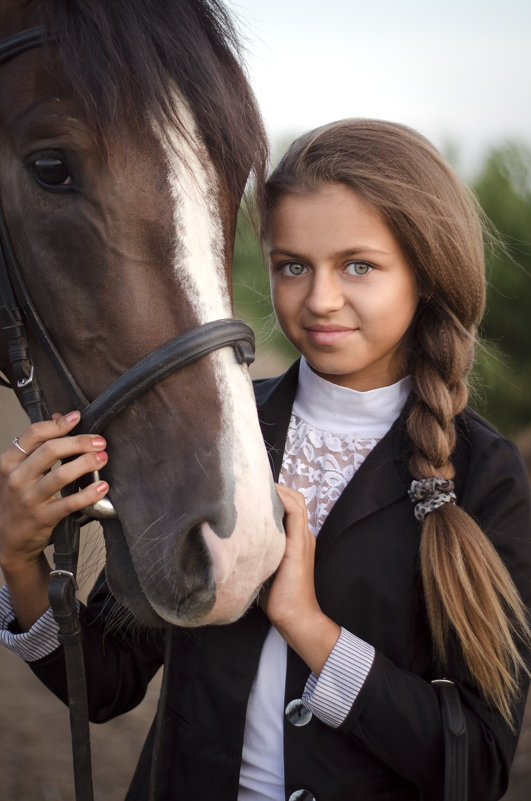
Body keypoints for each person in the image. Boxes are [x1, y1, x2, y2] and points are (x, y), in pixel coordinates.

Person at [1, 118, 530, 801]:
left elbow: (476, 768)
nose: (318, 300)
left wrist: (310, 628)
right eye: (291, 266)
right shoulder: (211, 428)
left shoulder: (487, 475)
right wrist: (19, 561)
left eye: (358, 265)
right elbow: (104, 684)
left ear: (426, 272)